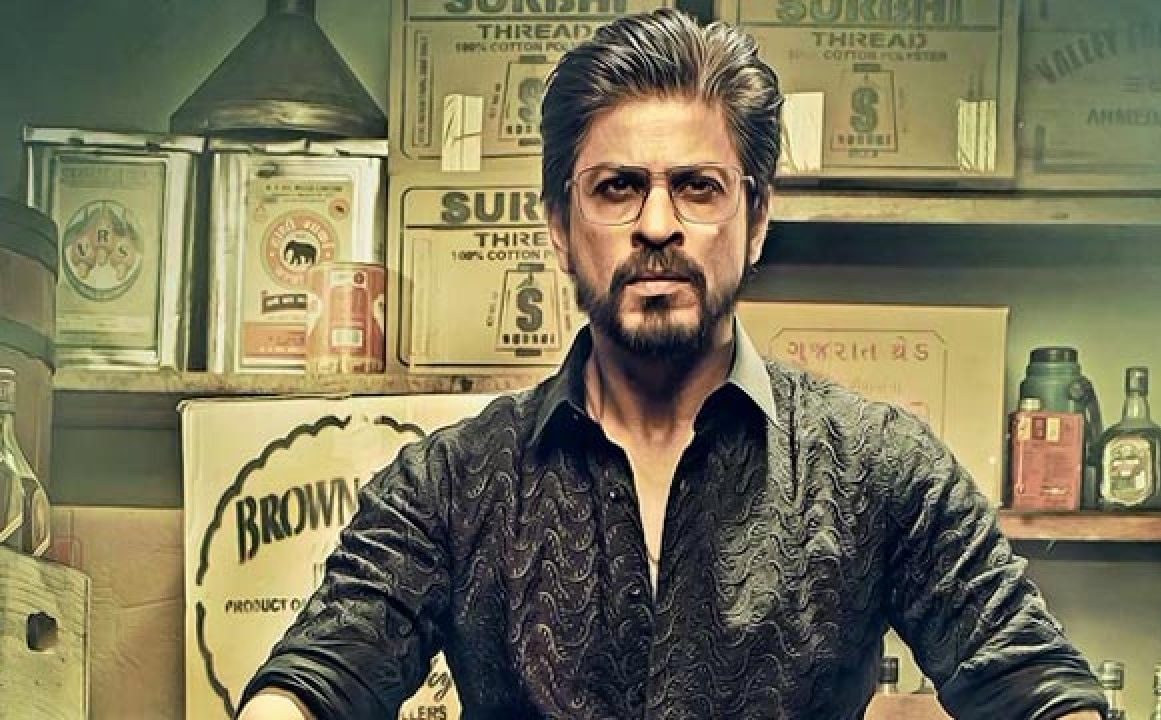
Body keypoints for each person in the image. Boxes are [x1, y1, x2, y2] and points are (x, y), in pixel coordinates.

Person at [239, 9, 1107, 720]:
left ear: (755, 222)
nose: (657, 224)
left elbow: (1031, 681)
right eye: (618, 187)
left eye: (698, 186)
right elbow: (324, 675)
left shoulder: (880, 467)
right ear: (558, 225)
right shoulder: (451, 483)